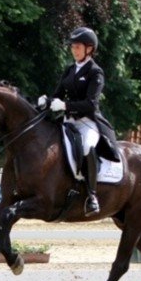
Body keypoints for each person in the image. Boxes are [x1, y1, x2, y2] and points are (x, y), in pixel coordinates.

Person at [38, 27, 120, 217]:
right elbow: (57, 95)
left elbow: (91, 104)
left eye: (77, 47)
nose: (74, 50)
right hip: (67, 122)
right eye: (72, 47)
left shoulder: (95, 72)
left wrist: (65, 105)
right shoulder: (69, 70)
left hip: (87, 122)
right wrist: (47, 101)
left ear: (89, 49)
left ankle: (92, 196)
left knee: (86, 147)